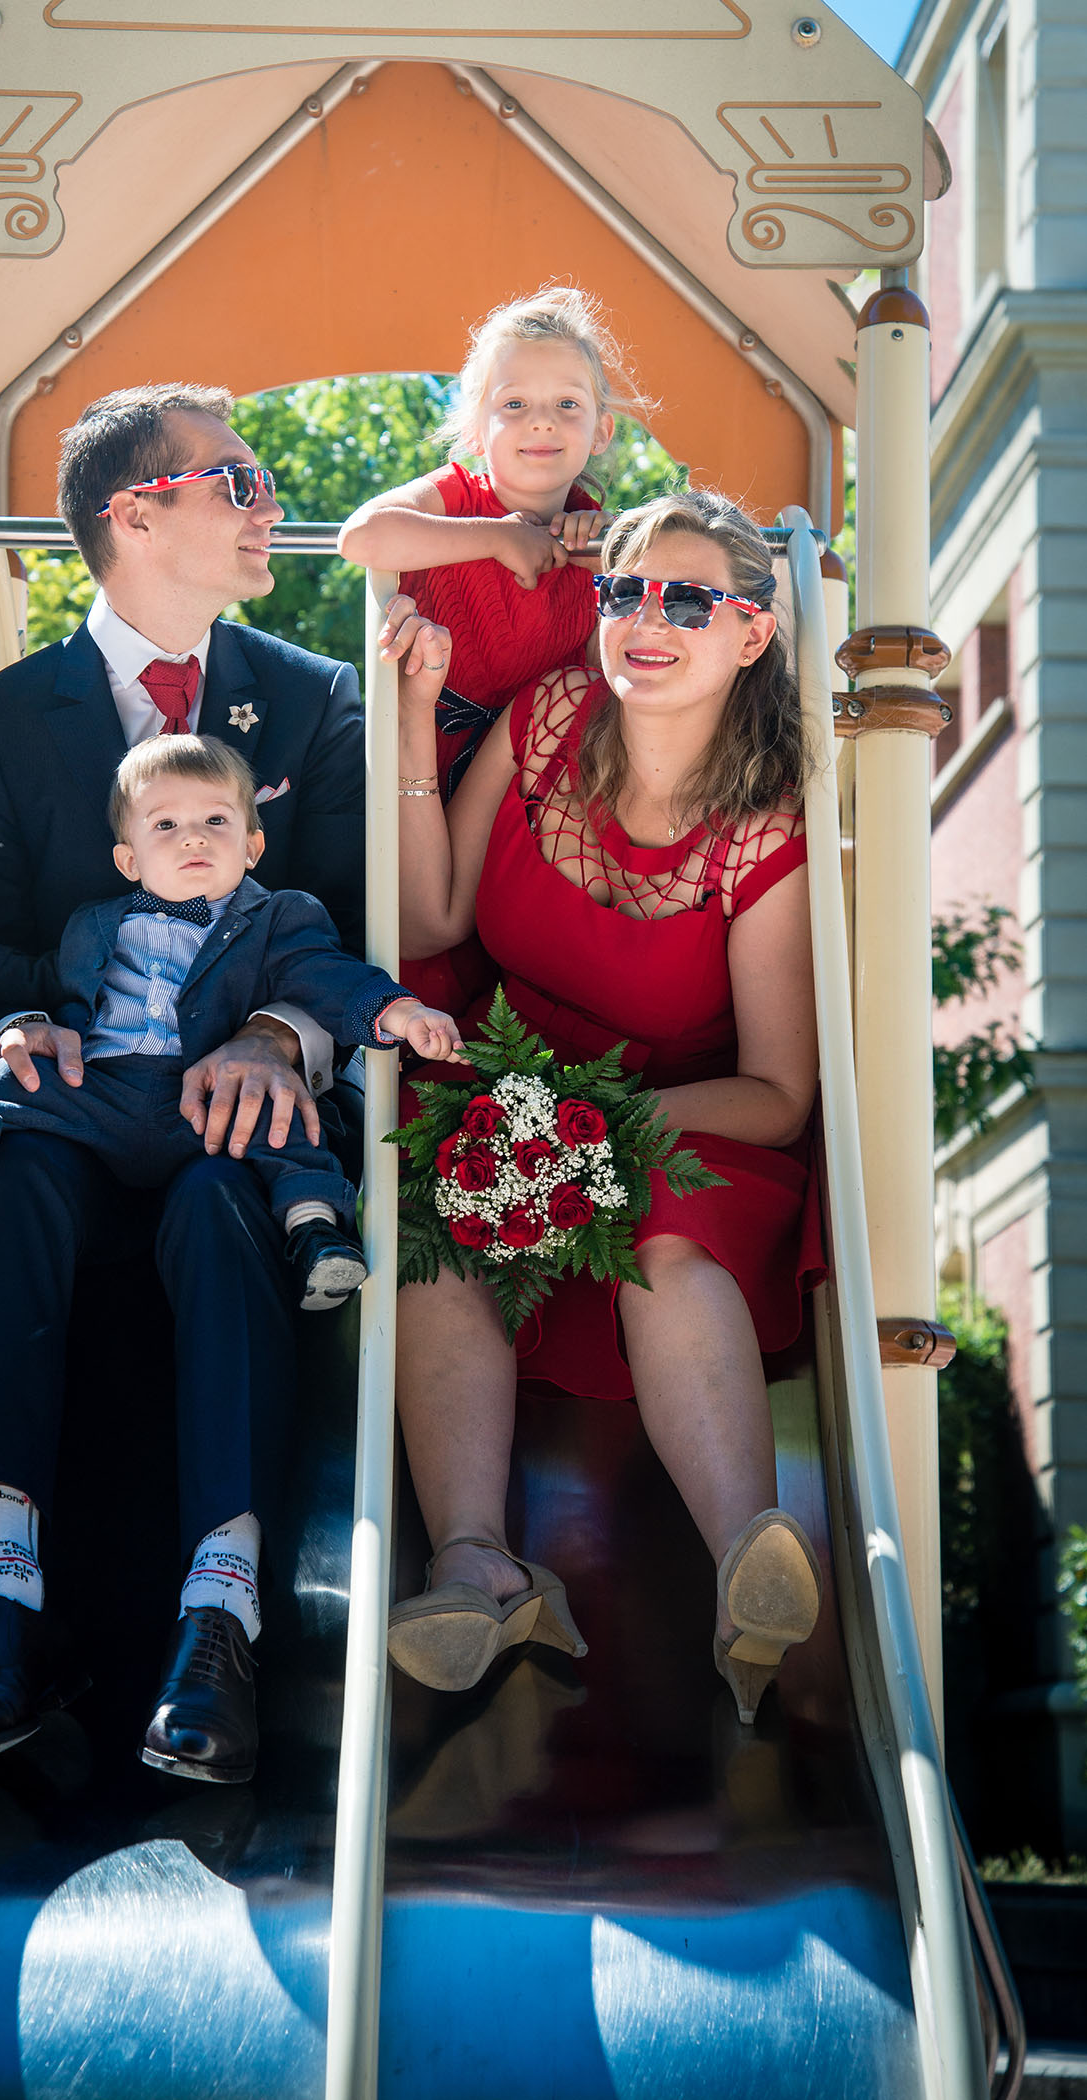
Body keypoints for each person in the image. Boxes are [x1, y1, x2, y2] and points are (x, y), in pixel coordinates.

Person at [0, 383, 369, 1787]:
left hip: (222, 1130)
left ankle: (220, 1631)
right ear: (136, 513)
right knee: (8, 1186)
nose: (268, 506)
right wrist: (15, 1021)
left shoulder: (314, 697)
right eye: (238, 482)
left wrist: (280, 1035)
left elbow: (350, 922)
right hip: (74, 1107)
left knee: (223, 1203)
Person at [382, 487, 826, 1726]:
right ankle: (476, 1563)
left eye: (687, 600)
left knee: (664, 1235)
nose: (646, 619)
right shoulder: (544, 720)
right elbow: (430, 920)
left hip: (688, 1115)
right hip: (503, 1082)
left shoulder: (767, 829)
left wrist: (599, 1130)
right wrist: (415, 716)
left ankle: (747, 1565)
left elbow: (779, 1092)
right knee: (432, 1234)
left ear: (750, 633)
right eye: (624, 591)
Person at [0, 734, 460, 1307]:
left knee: (281, 1115)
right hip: (98, 1090)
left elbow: (328, 976)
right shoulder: (93, 923)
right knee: (9, 1074)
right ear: (129, 860)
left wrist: (401, 1012)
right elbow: (38, 980)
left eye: (216, 820)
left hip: (201, 1100)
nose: (193, 837)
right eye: (166, 825)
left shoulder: (278, 917)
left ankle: (314, 1234)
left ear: (253, 846)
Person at [338, 285, 636, 1011]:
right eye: (514, 404)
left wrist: (616, 548)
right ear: (476, 426)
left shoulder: (603, 538)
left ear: (601, 431)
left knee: (503, 953)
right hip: (426, 748)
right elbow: (362, 536)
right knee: (417, 946)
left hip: (522, 783)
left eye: (567, 404)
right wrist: (499, 536)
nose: (542, 421)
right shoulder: (459, 498)